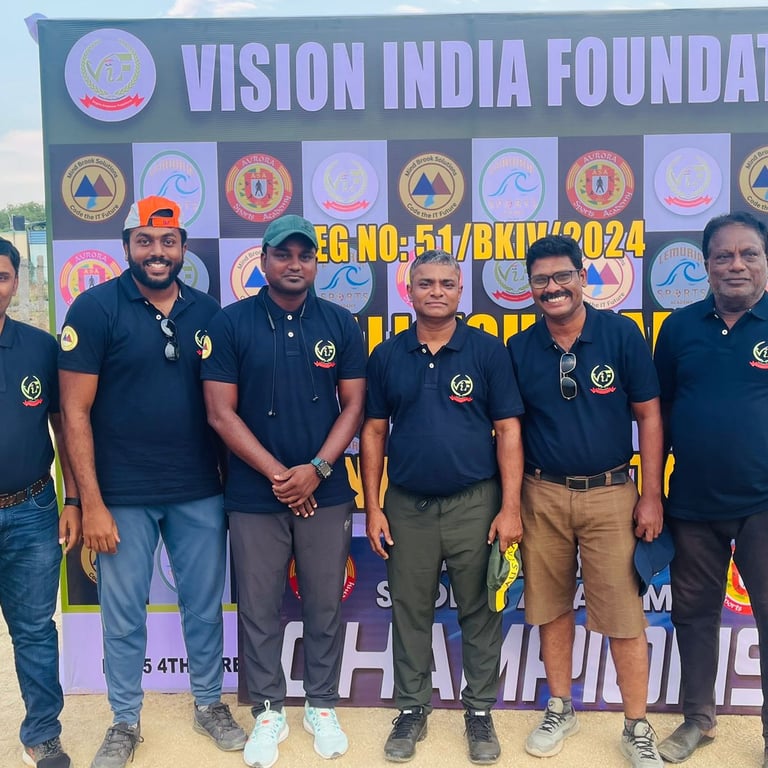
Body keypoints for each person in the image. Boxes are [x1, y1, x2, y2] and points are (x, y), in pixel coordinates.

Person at [58, 196, 245, 768]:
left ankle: (209, 703)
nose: (157, 252)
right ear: (126, 247)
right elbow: (74, 413)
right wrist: (90, 502)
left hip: (199, 489)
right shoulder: (94, 309)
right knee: (122, 616)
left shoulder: (209, 312)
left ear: (183, 248)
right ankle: (124, 719)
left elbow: (225, 409)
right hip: (121, 497)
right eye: (144, 241)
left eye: (168, 241)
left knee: (204, 607)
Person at [201, 214, 366, 768]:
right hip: (255, 495)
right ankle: (268, 709)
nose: (294, 264)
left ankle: (321, 704)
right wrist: (281, 475)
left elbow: (354, 406)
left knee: (324, 602)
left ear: (315, 262)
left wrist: (316, 469)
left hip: (327, 490)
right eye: (283, 254)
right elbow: (220, 413)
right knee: (258, 607)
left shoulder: (341, 322)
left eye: (305, 255)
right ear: (264, 259)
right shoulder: (230, 323)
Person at [506, 235, 665, 768]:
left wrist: (651, 495)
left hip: (612, 494)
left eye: (562, 276)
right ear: (531, 287)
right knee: (551, 609)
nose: (552, 287)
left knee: (623, 615)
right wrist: (512, 503)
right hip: (542, 494)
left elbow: (649, 415)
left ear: (582, 277)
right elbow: (509, 431)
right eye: (541, 279)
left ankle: (636, 725)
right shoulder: (519, 348)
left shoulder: (621, 334)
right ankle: (560, 708)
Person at [361, 249, 524, 765]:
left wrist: (510, 507)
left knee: (480, 609)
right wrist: (373, 507)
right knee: (410, 609)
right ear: (409, 291)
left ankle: (479, 711)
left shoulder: (487, 351)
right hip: (406, 505)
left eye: (446, 284)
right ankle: (412, 709)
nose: (436, 292)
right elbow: (374, 432)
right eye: (426, 283)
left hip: (476, 502)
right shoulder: (387, 355)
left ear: (460, 291)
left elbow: (508, 430)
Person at [654, 211, 768, 768]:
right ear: (706, 265)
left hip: (763, 505)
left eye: (749, 254)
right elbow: (659, 414)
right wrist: (653, 491)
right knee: (693, 614)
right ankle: (698, 718)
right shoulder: (678, 329)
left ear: (765, 261)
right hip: (692, 504)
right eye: (724, 255)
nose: (736, 265)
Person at [0, 237, 80, 768]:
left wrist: (73, 498)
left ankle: (42, 734)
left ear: (15, 282)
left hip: (30, 511)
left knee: (33, 629)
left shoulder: (40, 347)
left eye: (2, 276)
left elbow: (64, 426)